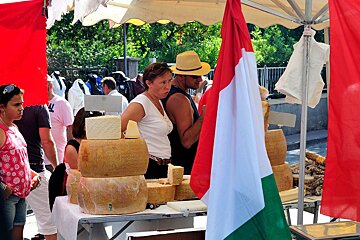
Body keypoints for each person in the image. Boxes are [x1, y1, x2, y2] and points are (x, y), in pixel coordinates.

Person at [0, 84, 40, 240]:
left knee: (18, 234)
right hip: (7, 197)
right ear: (2, 107)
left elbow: (18, 159)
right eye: (16, 104)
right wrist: (4, 188)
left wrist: (31, 175)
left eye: (22, 103)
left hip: (21, 195)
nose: (21, 108)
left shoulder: (14, 127)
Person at [121, 62, 173, 179]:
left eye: (169, 81)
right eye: (163, 82)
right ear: (148, 83)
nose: (168, 86)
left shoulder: (157, 100)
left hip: (162, 165)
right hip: (149, 166)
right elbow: (119, 128)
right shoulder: (140, 103)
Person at [162, 50, 210, 174]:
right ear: (181, 76)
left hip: (180, 166)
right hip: (184, 167)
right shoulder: (179, 99)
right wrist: (204, 117)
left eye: (200, 75)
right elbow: (187, 141)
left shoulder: (176, 93)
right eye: (195, 76)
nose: (199, 79)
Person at [14, 105, 58, 240]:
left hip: (13, 172)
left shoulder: (7, 108)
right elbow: (47, 141)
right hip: (32, 171)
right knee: (49, 222)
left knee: (16, 222)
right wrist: (57, 166)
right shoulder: (38, 107)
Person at [48, 108, 102, 210]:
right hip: (75, 195)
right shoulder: (72, 148)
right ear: (86, 126)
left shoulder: (94, 144)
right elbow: (82, 175)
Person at [45, 75, 74, 172]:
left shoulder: (61, 103)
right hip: (40, 159)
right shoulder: (36, 104)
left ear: (50, 86)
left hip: (58, 157)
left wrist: (69, 150)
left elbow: (70, 127)